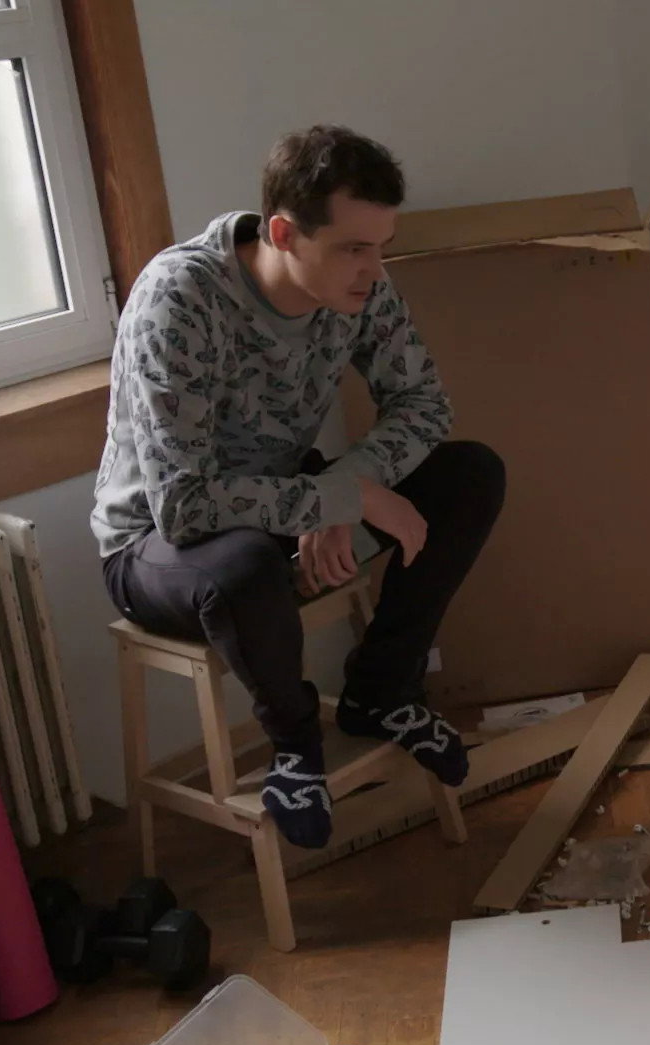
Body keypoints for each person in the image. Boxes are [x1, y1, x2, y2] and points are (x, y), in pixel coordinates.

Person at [91, 126, 505, 850]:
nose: (373, 270)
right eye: (353, 248)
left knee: (471, 476)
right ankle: (294, 745)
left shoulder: (362, 285)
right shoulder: (179, 299)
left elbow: (424, 403)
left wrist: (344, 484)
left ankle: (382, 689)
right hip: (154, 544)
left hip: (280, 501)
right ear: (283, 233)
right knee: (246, 566)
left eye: (382, 246)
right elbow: (185, 505)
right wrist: (345, 498)